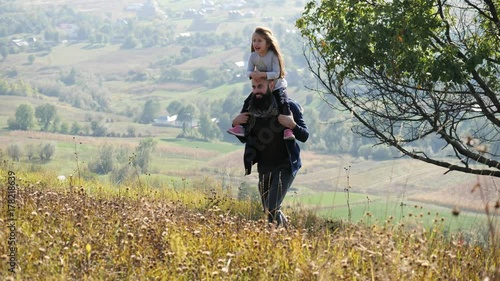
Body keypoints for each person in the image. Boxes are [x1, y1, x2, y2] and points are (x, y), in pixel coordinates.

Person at [231, 77, 309, 227]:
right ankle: (288, 234)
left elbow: (304, 136)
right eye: (253, 87)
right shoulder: (252, 109)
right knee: (269, 209)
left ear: (271, 85)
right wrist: (236, 122)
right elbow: (244, 139)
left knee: (271, 208)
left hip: (286, 164)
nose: (256, 91)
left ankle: (275, 242)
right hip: (265, 166)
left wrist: (292, 125)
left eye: (260, 86)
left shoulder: (289, 106)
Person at [227, 26, 295, 140]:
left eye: (259, 40)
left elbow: (277, 74)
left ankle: (288, 129)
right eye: (254, 40)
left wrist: (261, 74)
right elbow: (248, 71)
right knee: (247, 102)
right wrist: (252, 74)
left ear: (268, 43)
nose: (256, 43)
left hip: (277, 86)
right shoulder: (253, 56)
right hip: (263, 87)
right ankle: (241, 127)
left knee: (283, 103)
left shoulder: (273, 56)